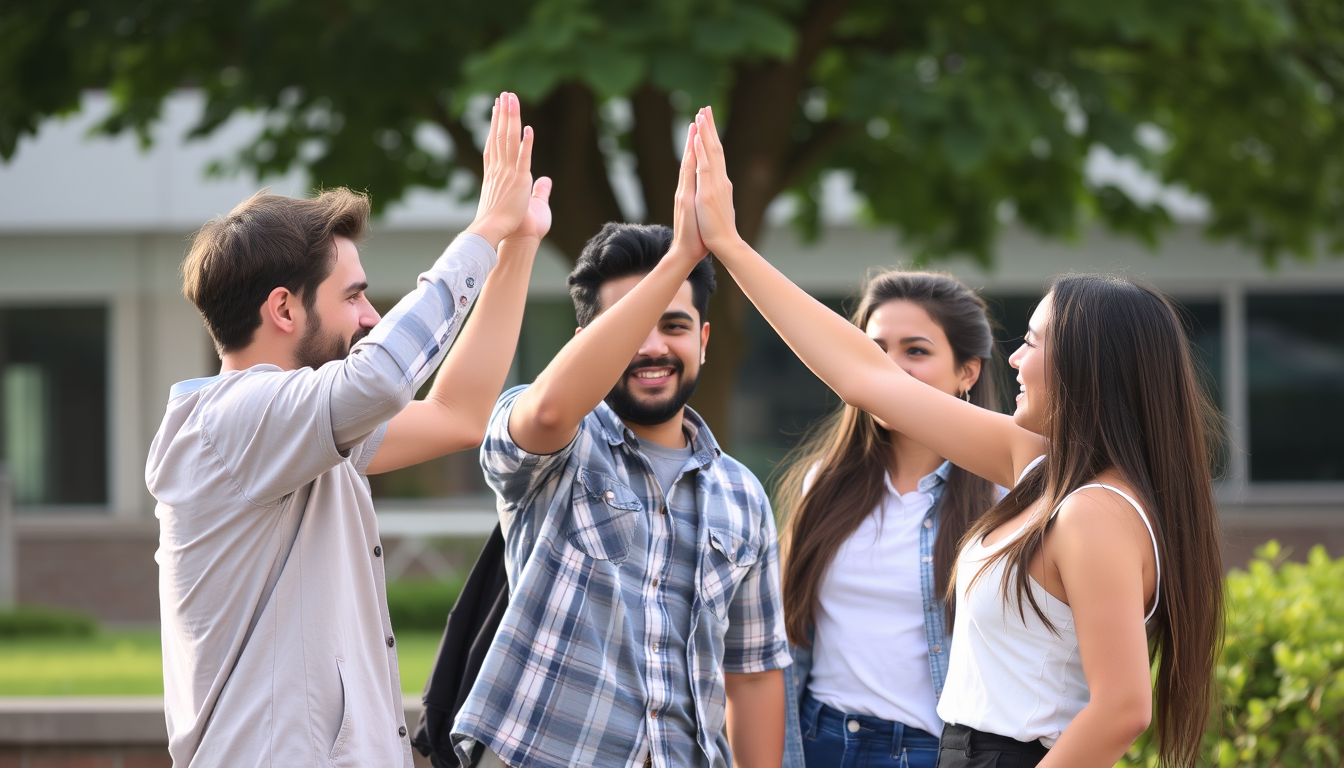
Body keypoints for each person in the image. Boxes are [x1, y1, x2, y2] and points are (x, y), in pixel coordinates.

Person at [689, 107, 1223, 768]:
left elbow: (1122, 710)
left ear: (1090, 368)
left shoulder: (1094, 512)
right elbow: (868, 380)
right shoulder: (1042, 470)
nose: (1016, 362)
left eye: (1032, 343)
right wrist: (732, 247)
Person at [146, 93, 547, 767]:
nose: (370, 318)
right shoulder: (231, 422)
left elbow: (459, 415)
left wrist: (516, 246)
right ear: (283, 309)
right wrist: (479, 234)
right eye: (354, 296)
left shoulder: (295, 431)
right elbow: (382, 379)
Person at [453, 120, 791, 768]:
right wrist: (678, 262)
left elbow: (753, 672)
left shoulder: (742, 494)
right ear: (587, 337)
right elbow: (551, 408)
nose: (652, 345)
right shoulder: (558, 444)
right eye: (628, 323)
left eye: (674, 324)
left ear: (705, 340)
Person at [776, 271, 1001, 768]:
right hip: (816, 741)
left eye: (915, 351)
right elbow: (786, 636)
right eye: (876, 350)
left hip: (926, 751)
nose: (889, 369)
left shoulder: (1003, 502)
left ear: (968, 371)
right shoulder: (825, 483)